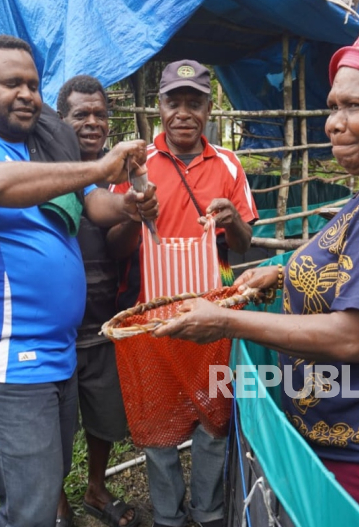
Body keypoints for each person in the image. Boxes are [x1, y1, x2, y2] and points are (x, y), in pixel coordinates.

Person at [153, 18, 359, 527]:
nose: (334, 123)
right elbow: (352, 256)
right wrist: (282, 271)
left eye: (354, 106)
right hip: (358, 440)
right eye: (333, 107)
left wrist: (226, 321)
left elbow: (351, 337)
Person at [0, 35, 157, 527]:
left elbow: (90, 202)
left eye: (33, 84)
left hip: (58, 354)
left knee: (46, 482)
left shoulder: (43, 151)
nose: (27, 93)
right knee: (29, 510)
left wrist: (127, 205)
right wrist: (96, 166)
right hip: (9, 361)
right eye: (12, 83)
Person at [110, 60, 258, 527]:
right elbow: (113, 244)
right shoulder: (138, 167)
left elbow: (244, 244)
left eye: (194, 102)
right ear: (160, 106)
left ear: (209, 108)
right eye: (174, 101)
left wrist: (232, 220)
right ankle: (169, 517)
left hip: (213, 320)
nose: (184, 113)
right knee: (157, 427)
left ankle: (209, 511)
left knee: (214, 420)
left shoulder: (228, 165)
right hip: (150, 321)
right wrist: (132, 214)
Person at [55, 74, 140, 527]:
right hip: (57, 334)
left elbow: (117, 247)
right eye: (80, 114)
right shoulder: (48, 172)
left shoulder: (110, 182)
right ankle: (57, 502)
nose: (92, 123)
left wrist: (136, 213)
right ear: (60, 120)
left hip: (103, 324)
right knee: (55, 427)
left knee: (104, 419)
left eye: (100, 114)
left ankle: (95, 486)